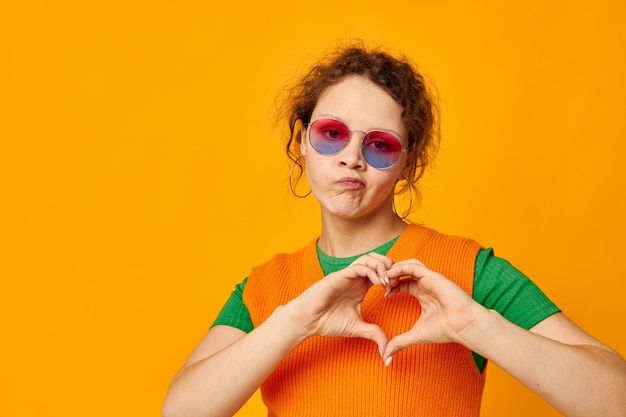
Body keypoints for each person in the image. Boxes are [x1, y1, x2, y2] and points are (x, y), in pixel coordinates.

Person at [162, 42, 626, 417]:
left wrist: (475, 326)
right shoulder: (264, 288)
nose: (352, 157)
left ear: (408, 164)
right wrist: (296, 323)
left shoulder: (467, 269)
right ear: (302, 140)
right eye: (331, 134)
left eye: (380, 145)